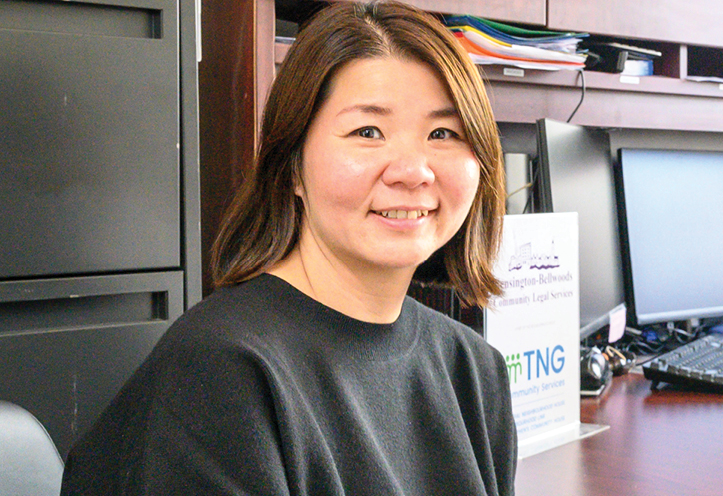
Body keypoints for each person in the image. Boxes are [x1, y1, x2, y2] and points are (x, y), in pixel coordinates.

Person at [60, 1, 517, 494]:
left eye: (443, 133)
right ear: (293, 165)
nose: (412, 170)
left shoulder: (474, 370)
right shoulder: (223, 372)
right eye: (368, 131)